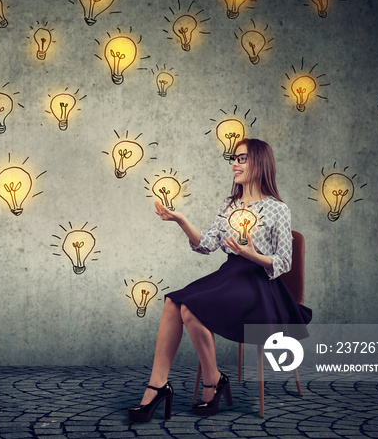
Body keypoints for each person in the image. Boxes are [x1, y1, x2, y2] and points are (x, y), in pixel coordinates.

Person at [128, 138, 312, 422]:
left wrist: (254, 255)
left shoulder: (278, 209)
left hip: (260, 284)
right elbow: (206, 245)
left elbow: (284, 262)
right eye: (234, 159)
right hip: (228, 275)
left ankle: (213, 383)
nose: (234, 164)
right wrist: (181, 220)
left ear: (260, 163)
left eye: (242, 158)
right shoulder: (229, 204)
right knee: (172, 302)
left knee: (189, 308)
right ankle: (158, 386)